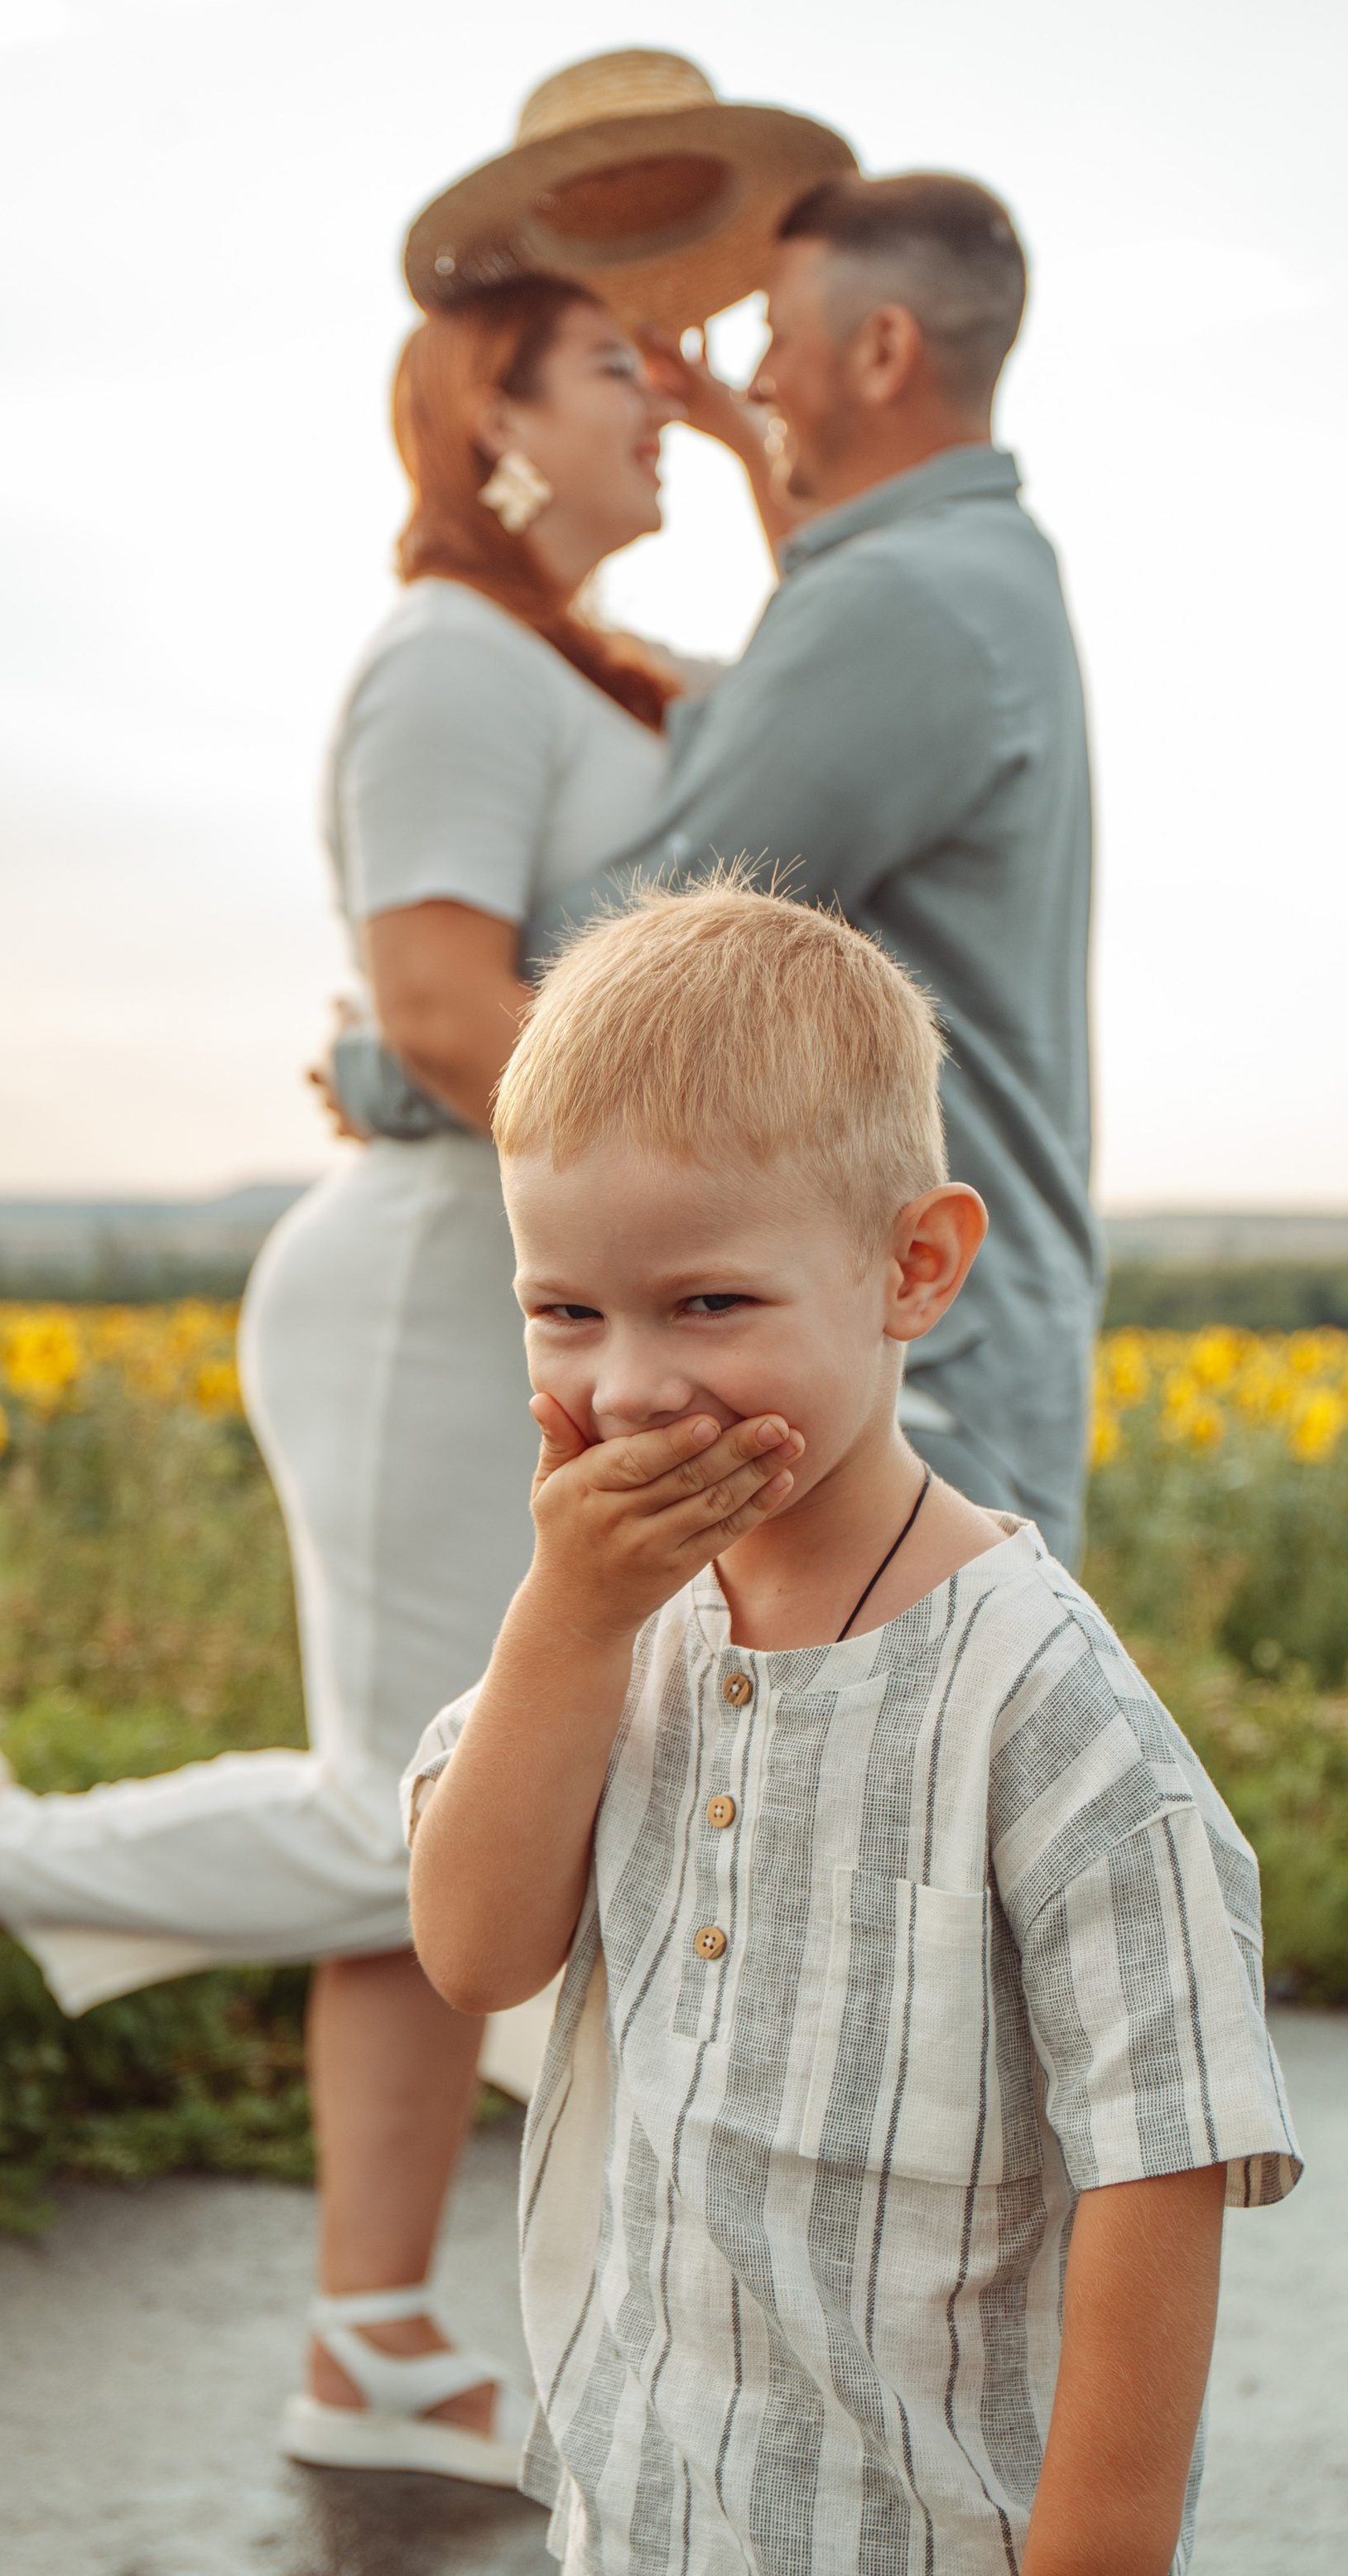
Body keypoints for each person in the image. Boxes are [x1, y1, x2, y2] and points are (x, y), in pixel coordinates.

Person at [0, 238, 797, 2483]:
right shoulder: (443, 658)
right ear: (492, 416)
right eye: (618, 371)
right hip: (437, 1288)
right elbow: (435, 1009)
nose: (662, 399)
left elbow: (823, 681)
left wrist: (743, 438)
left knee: (412, 1795)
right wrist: (712, 1204)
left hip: (500, 1276)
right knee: (418, 1811)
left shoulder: (623, 669)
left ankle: (369, 2347)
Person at [404, 883, 1301, 2576]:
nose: (630, 1385)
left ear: (912, 1266)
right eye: (566, 1309)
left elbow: (1157, 2161)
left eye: (707, 1306)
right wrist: (561, 1619)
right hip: (641, 2567)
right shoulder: (607, 1622)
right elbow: (473, 1948)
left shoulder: (1041, 1709)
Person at [339, 167, 1101, 1563]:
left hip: (904, 1368)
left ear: (880, 351)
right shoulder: (968, 574)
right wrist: (760, 456)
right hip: (903, 1337)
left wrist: (390, 1051)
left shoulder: (899, 605)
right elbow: (791, 667)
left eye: (777, 339)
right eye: (621, 368)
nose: (743, 382)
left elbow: (653, 951)